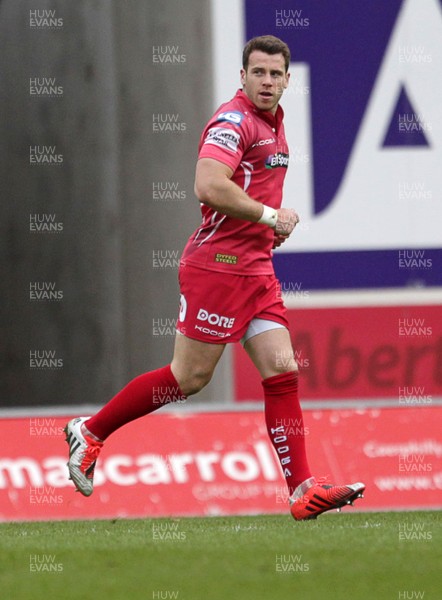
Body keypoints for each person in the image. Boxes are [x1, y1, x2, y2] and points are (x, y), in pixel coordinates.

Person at [65, 35, 365, 520]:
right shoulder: (234, 121)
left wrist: (264, 231)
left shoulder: (276, 123)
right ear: (242, 76)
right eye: (258, 72)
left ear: (289, 80)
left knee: (281, 370)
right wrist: (270, 218)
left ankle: (302, 490)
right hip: (217, 268)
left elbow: (245, 192)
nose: (267, 81)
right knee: (189, 378)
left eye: (276, 74)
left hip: (256, 268)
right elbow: (208, 184)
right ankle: (92, 431)